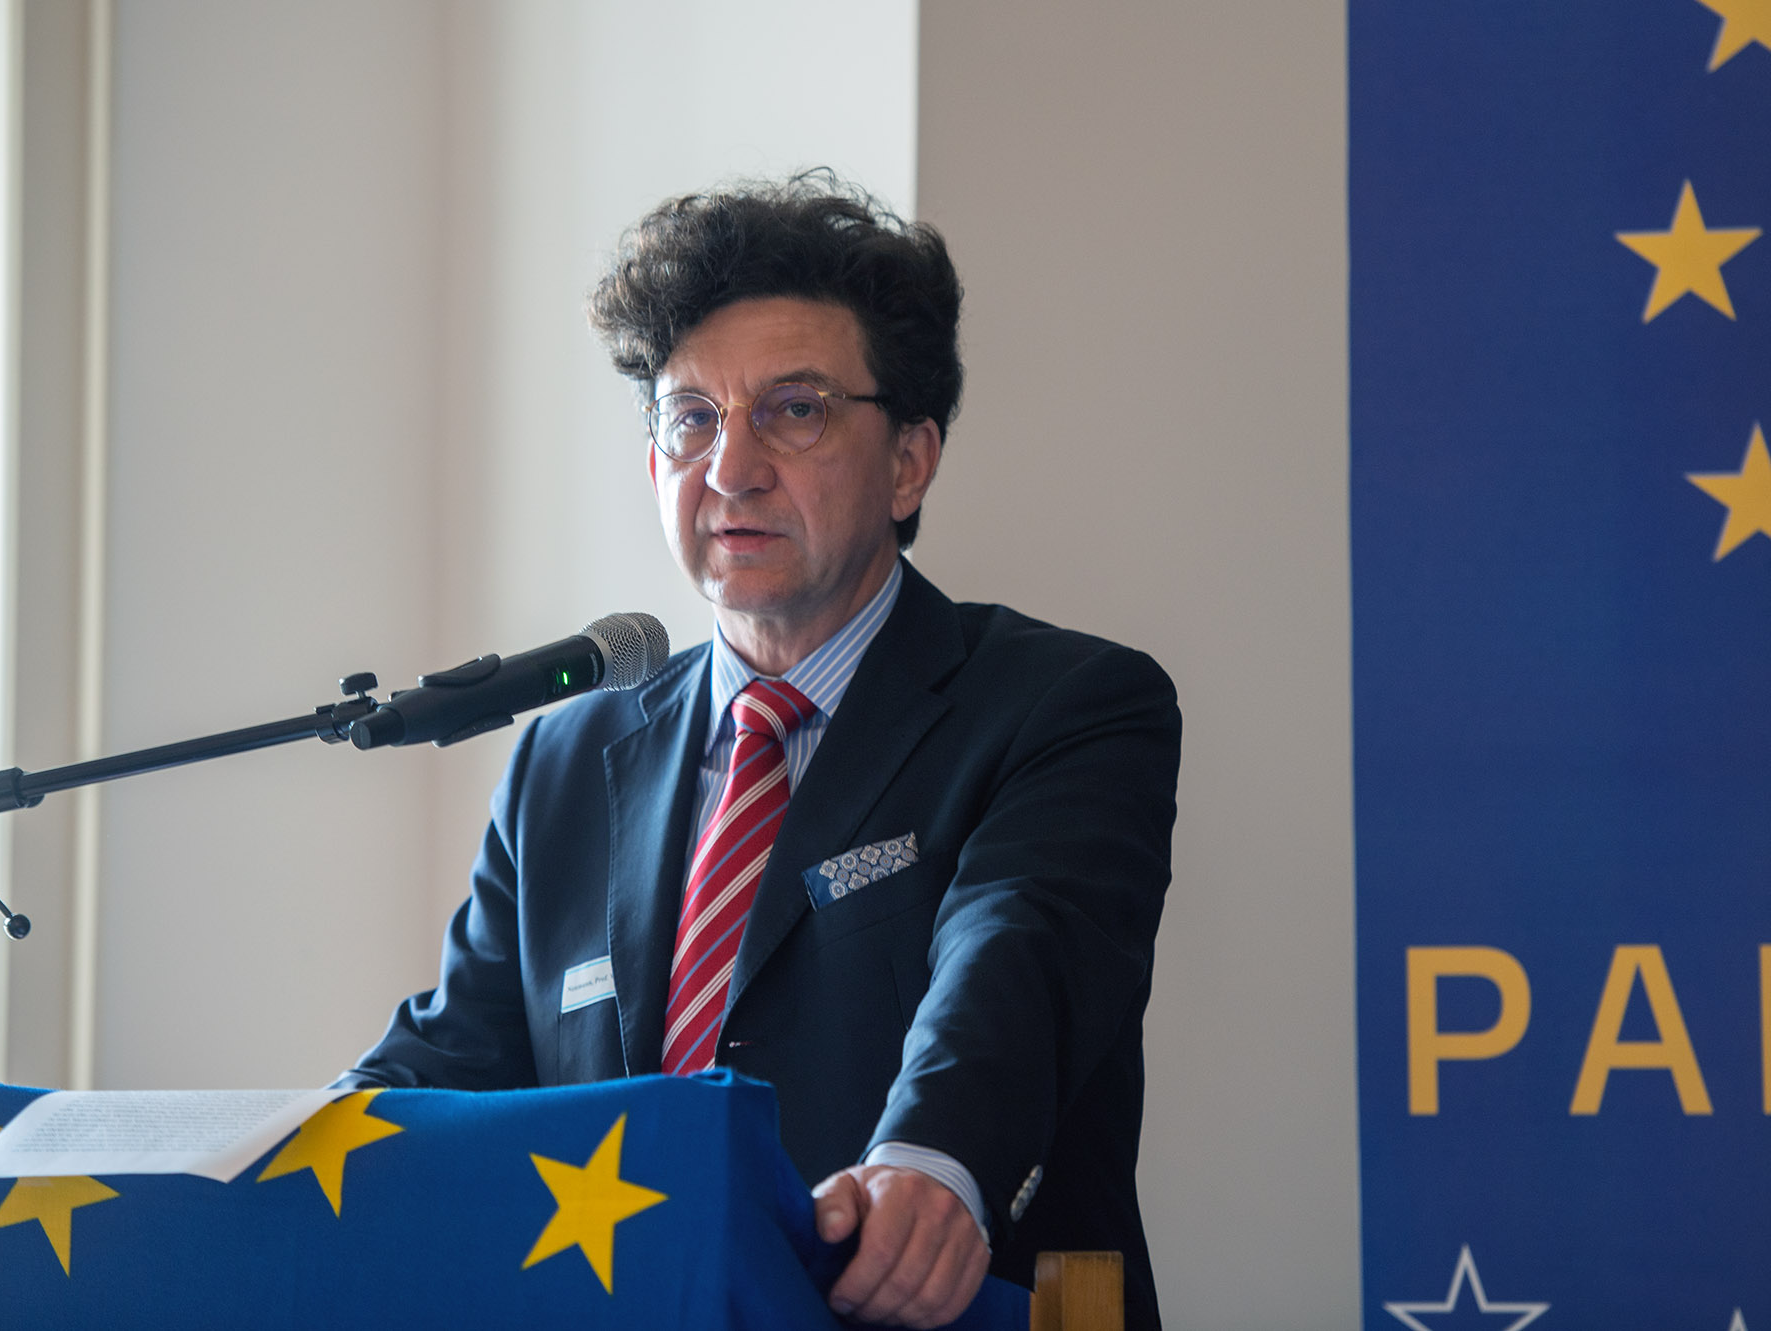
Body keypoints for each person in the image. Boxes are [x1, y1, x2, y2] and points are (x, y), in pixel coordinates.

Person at [343, 172, 1180, 1330]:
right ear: (654, 463)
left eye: (794, 410)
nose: (729, 467)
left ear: (908, 460)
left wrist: (928, 1163)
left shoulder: (1058, 705)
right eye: (691, 417)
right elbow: (446, 1066)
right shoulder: (565, 763)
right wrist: (253, 1161)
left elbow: (1012, 959)